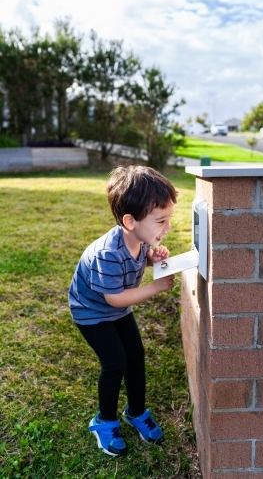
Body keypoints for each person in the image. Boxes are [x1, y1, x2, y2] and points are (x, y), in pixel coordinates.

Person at [68, 165, 177, 457]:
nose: (167, 228)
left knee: (135, 356)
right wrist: (157, 287)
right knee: (115, 362)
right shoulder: (108, 253)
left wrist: (154, 258)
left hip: (116, 309)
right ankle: (104, 421)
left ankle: (137, 412)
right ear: (130, 221)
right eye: (161, 221)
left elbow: (140, 261)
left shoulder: (140, 240)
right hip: (91, 312)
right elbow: (115, 298)